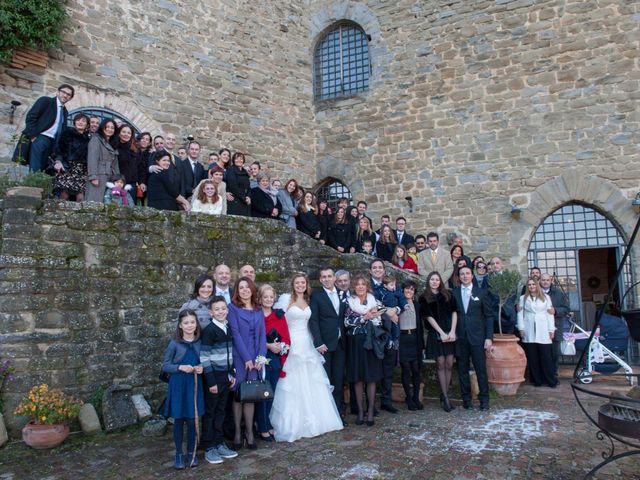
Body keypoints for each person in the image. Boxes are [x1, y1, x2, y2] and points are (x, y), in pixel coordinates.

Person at [270, 273, 344, 442]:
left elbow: (314, 322)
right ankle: (293, 424)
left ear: (307, 284)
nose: (300, 285)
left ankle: (319, 420)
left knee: (313, 380)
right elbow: (276, 321)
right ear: (293, 284)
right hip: (292, 344)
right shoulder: (286, 299)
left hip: (308, 343)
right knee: (293, 381)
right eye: (297, 282)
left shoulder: (310, 300)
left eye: (303, 282)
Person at [161, 310, 204, 469]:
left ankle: (191, 453)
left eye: (192, 322)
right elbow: (165, 365)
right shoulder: (174, 344)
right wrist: (180, 367)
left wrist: (201, 368)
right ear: (180, 325)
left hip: (194, 385)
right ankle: (179, 454)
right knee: (179, 420)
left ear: (196, 324)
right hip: (178, 385)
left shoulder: (200, 342)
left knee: (193, 421)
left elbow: (204, 361)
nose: (189, 325)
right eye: (186, 323)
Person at [227, 277, 266, 450]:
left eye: (247, 287)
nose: (244, 290)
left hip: (255, 358)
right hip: (239, 357)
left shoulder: (258, 310)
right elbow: (235, 334)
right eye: (240, 288)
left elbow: (262, 336)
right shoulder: (232, 308)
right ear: (237, 290)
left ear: (252, 289)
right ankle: (237, 433)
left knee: (250, 395)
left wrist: (260, 358)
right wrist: (246, 359)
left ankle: (249, 433)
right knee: (238, 396)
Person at [199, 296, 238, 465]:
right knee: (211, 412)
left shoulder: (227, 328)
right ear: (211, 312)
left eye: (223, 308)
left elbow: (230, 354)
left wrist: (232, 374)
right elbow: (204, 357)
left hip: (225, 376)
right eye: (217, 309)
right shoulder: (209, 331)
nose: (221, 311)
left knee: (222, 410)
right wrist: (211, 381)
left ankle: (219, 442)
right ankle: (209, 447)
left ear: (227, 310)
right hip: (213, 378)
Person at [453, 266, 495, 410]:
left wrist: (489, 338)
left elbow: (489, 316)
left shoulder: (481, 293)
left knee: (480, 370)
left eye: (467, 273)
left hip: (478, 337)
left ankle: (484, 400)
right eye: (462, 274)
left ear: (472, 276)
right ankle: (466, 399)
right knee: (462, 370)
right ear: (459, 277)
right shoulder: (454, 293)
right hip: (461, 338)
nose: (465, 276)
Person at [344, 275, 384, 426]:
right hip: (355, 343)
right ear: (354, 287)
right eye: (358, 284)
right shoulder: (350, 302)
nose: (360, 287)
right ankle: (360, 412)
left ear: (367, 287)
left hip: (371, 343)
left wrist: (371, 316)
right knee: (358, 378)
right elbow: (347, 322)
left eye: (363, 284)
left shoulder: (375, 301)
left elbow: (380, 318)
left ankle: (371, 411)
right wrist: (365, 317)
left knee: (371, 377)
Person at [308, 268, 347, 424]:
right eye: (323, 277)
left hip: (341, 343)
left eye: (329, 276)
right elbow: (314, 320)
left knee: (338, 380)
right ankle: (326, 416)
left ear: (334, 278)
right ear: (320, 279)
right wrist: (318, 342)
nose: (326, 279)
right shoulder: (316, 295)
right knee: (326, 380)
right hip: (325, 344)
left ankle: (338, 414)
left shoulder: (342, 293)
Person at [255, 284, 290, 442]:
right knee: (262, 392)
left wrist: (281, 347)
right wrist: (268, 345)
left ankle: (267, 422)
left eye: (271, 297)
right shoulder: (256, 315)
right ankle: (262, 427)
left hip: (275, 358)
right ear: (260, 299)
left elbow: (285, 336)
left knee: (271, 393)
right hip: (261, 357)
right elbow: (253, 338)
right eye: (265, 297)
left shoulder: (279, 315)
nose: (268, 299)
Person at [13, 84, 74, 172]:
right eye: (63, 92)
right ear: (57, 92)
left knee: (43, 168)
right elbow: (31, 117)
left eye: (68, 94)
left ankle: (38, 185)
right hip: (40, 138)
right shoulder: (46, 101)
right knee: (35, 167)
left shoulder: (65, 112)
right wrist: (33, 136)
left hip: (52, 142)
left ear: (70, 98)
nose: (65, 95)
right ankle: (33, 184)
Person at [421, 271, 458, 412]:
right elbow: (428, 317)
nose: (435, 282)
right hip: (437, 334)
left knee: (449, 364)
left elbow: (455, 312)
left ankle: (445, 395)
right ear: (428, 281)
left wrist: (453, 331)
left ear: (440, 281)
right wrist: (441, 333)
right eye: (432, 279)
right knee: (441, 364)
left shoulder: (448, 294)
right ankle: (446, 398)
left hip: (450, 332)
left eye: (437, 279)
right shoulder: (424, 298)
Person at [517, 277, 557, 388]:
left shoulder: (546, 297)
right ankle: (537, 380)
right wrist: (521, 328)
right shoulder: (522, 299)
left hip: (543, 328)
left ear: (537, 285)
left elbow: (550, 315)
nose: (531, 286)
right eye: (529, 285)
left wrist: (551, 330)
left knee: (546, 357)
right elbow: (520, 315)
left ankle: (550, 380)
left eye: (533, 284)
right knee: (533, 357)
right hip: (529, 329)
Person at [539, 273, 571, 380]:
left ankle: (553, 375)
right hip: (540, 328)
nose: (545, 282)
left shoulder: (558, 293)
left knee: (554, 353)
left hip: (555, 327)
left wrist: (555, 310)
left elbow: (566, 308)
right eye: (543, 280)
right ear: (540, 281)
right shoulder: (536, 293)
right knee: (542, 353)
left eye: (547, 280)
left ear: (551, 281)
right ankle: (543, 375)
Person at [51, 113, 90, 201]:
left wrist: (87, 170)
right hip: (67, 166)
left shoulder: (88, 139)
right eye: (78, 120)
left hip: (80, 169)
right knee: (64, 194)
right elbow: (59, 149)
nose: (80, 122)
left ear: (87, 125)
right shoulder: (67, 133)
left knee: (80, 197)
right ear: (74, 122)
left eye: (83, 121)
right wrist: (58, 162)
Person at [398, 280, 424, 410]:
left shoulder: (417, 305)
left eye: (412, 289)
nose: (409, 291)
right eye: (407, 289)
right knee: (406, 368)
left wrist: (422, 345)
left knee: (416, 369)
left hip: (414, 338)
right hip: (403, 339)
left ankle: (416, 397)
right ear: (402, 290)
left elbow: (421, 324)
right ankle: (408, 397)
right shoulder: (399, 303)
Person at [85, 119, 119, 203]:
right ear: (102, 128)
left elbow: (115, 164)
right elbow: (92, 158)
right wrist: (93, 177)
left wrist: (118, 180)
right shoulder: (96, 139)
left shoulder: (113, 143)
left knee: (108, 204)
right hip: (99, 176)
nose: (109, 129)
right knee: (94, 202)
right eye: (107, 127)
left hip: (111, 178)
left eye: (112, 128)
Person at [114, 124, 145, 198]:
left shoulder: (136, 149)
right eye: (123, 132)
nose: (126, 134)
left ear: (131, 135)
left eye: (129, 133)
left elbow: (141, 167)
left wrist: (142, 182)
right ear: (119, 133)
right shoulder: (113, 146)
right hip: (116, 183)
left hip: (131, 185)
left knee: (130, 208)